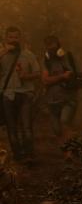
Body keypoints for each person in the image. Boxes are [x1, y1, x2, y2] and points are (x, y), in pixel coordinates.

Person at [0, 26, 41, 162]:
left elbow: (37, 73)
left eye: (16, 37)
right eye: (10, 37)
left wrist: (26, 76)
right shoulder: (2, 53)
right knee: (12, 127)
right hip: (7, 94)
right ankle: (18, 155)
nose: (13, 40)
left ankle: (29, 155)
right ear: (6, 38)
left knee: (26, 126)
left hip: (25, 94)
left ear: (20, 38)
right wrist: (3, 52)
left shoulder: (28, 54)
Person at [40, 35, 81, 145]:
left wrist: (65, 77)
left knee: (64, 122)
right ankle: (66, 151)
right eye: (48, 48)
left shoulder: (69, 57)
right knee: (57, 130)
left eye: (53, 47)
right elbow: (45, 80)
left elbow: (77, 75)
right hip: (52, 100)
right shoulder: (45, 60)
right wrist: (62, 77)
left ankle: (69, 153)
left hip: (69, 98)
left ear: (59, 46)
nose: (51, 50)